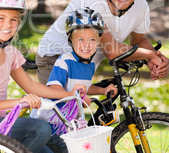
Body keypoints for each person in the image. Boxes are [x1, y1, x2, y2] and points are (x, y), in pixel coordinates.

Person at [0, 0, 87, 153]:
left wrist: (69, 95)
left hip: (2, 123)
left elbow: (31, 86)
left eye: (13, 20)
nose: (8, 24)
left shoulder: (10, 52)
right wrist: (19, 102)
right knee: (40, 129)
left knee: (58, 145)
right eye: (1, 18)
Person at [36, 0, 169, 85]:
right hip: (54, 58)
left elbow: (139, 40)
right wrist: (150, 55)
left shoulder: (141, 6)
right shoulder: (91, 0)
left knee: (91, 102)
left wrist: (157, 60)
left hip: (85, 63)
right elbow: (111, 51)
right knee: (63, 104)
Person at [30, 8, 118, 151]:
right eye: (81, 39)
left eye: (92, 40)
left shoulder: (89, 66)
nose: (86, 45)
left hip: (68, 124)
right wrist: (76, 96)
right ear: (71, 39)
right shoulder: (65, 61)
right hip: (50, 121)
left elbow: (84, 87)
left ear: (99, 41)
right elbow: (53, 88)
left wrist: (103, 90)